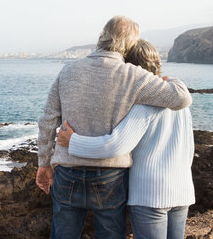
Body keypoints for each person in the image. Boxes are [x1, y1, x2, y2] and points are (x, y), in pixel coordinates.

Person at [36, 16, 192, 239]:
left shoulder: (68, 70)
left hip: (68, 169)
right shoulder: (134, 75)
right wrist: (170, 79)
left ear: (100, 36)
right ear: (129, 46)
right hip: (110, 175)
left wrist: (44, 163)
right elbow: (181, 99)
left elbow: (48, 119)